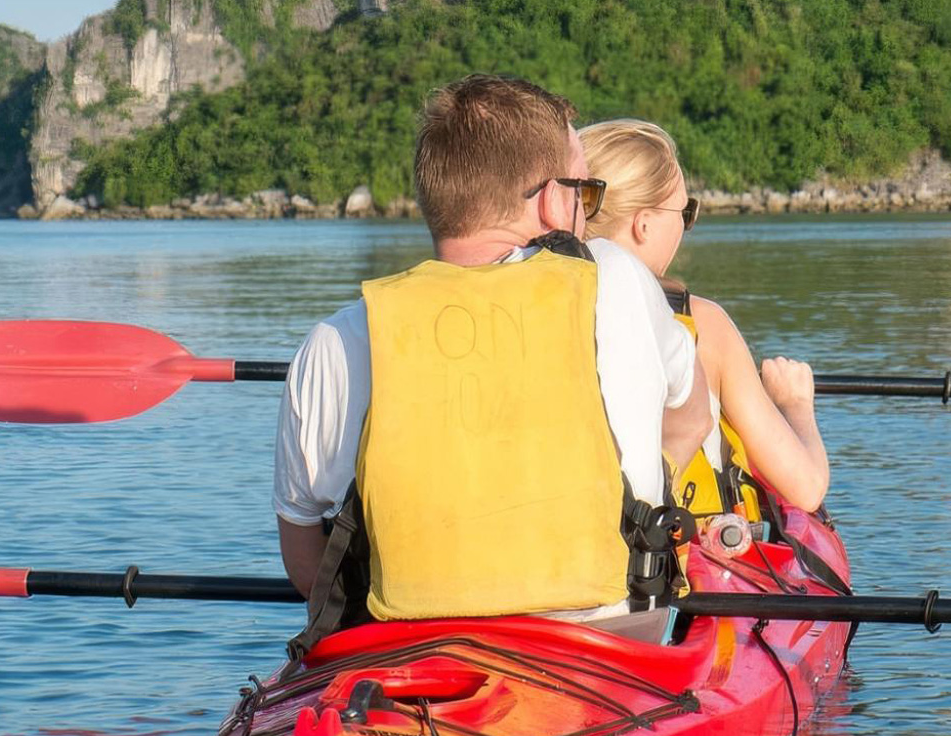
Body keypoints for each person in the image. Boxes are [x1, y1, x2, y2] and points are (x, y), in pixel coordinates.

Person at [272, 76, 711, 636]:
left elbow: (305, 559)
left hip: (408, 663)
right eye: (585, 191)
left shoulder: (332, 344)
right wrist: (646, 493)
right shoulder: (616, 278)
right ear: (555, 200)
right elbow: (693, 416)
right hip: (605, 651)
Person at [577, 119, 830, 515]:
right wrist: (795, 404)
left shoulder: (546, 302)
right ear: (643, 224)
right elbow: (807, 487)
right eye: (684, 212)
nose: (685, 226)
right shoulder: (704, 326)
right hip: (672, 563)